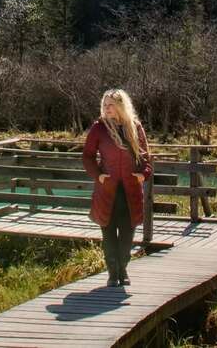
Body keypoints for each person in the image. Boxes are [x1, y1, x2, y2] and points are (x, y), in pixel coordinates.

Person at [82, 88, 152, 287]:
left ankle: (123, 268)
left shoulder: (135, 127)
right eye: (104, 105)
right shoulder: (99, 128)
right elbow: (87, 156)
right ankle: (113, 275)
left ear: (121, 106)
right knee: (109, 232)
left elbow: (146, 157)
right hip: (107, 190)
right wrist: (99, 175)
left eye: (111, 105)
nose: (107, 109)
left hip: (130, 191)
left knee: (128, 233)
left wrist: (143, 174)